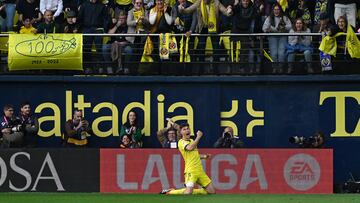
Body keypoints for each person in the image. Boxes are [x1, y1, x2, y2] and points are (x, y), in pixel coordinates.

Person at [160, 123, 216, 195]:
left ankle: (198, 191)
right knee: (188, 192)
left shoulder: (192, 141)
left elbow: (194, 155)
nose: (187, 130)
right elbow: (190, 148)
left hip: (200, 171)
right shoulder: (181, 142)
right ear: (181, 133)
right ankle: (170, 192)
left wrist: (205, 156)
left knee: (212, 192)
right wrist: (198, 137)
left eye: (188, 129)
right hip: (191, 171)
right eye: (184, 129)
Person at [262, 3, 292, 74]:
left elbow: (290, 26)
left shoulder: (284, 17)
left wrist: (284, 27)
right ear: (272, 10)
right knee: (274, 53)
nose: (276, 11)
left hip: (282, 37)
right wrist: (268, 29)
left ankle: (281, 68)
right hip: (272, 37)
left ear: (280, 10)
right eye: (275, 9)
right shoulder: (269, 18)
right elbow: (264, 28)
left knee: (281, 53)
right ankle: (275, 68)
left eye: (278, 9)